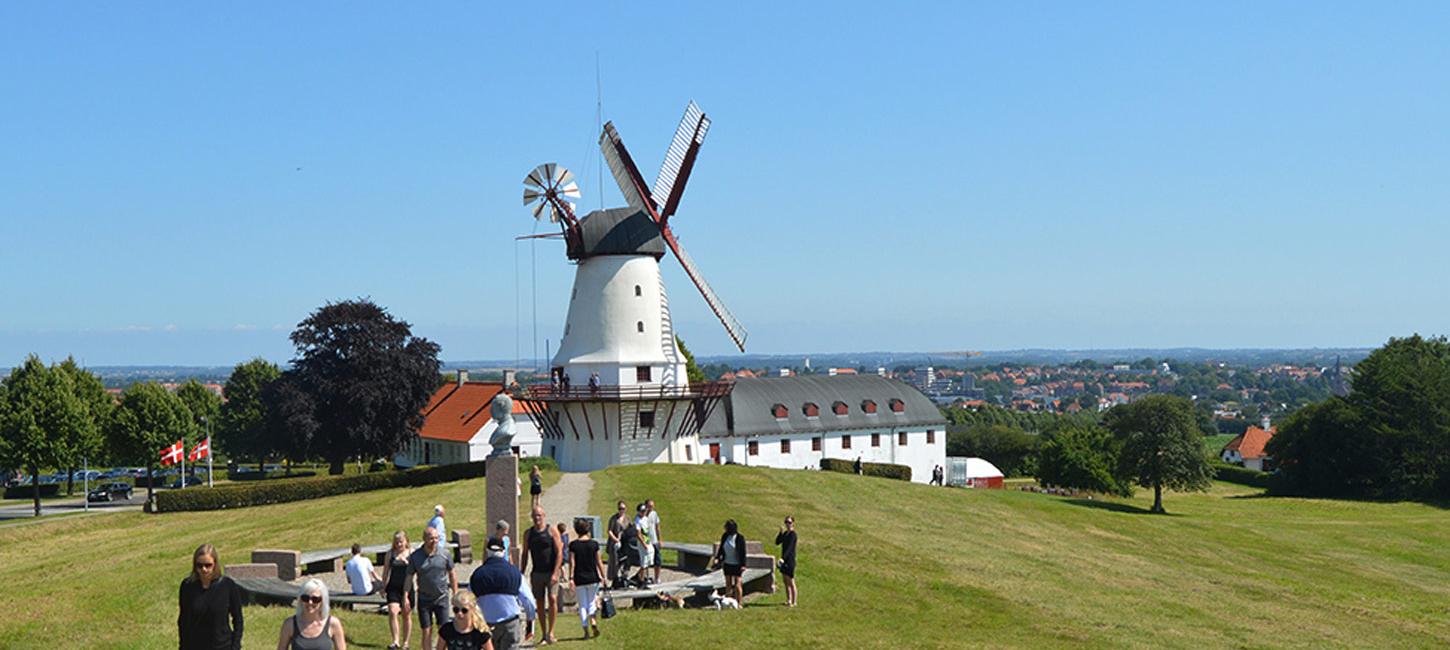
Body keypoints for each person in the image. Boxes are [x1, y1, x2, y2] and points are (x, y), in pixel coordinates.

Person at [470, 537, 537, 650]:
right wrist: (530, 622)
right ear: (504, 551)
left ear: (487, 551)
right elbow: (528, 600)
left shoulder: (478, 575)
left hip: (486, 625)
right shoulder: (515, 573)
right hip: (510, 623)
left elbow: (468, 601)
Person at [179, 543, 244, 650]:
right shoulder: (187, 587)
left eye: (208, 565)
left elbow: (238, 620)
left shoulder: (227, 586)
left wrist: (236, 646)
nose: (204, 569)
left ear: (215, 564)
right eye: (199, 565)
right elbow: (183, 621)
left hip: (222, 646)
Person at [410, 526, 458, 650]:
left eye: (437, 538)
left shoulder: (445, 554)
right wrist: (405, 595)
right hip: (424, 599)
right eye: (431, 538)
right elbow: (409, 577)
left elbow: (452, 574)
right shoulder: (416, 556)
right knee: (426, 630)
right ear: (424, 539)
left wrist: (455, 593)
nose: (435, 541)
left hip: (441, 597)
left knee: (443, 631)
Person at [518, 506, 562, 645]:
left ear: (544, 515)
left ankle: (551, 632)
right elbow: (525, 554)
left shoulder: (551, 530)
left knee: (553, 598)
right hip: (537, 572)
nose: (537, 518)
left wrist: (556, 571)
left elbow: (559, 551)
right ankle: (543, 633)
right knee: (540, 602)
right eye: (535, 516)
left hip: (551, 571)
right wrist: (521, 573)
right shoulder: (528, 534)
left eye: (539, 515)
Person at [275, 578, 346, 650]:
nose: (310, 602)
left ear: (322, 601)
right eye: (305, 598)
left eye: (315, 599)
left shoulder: (333, 624)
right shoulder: (289, 624)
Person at [566, 518, 606, 639]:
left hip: (579, 578)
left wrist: (571, 577)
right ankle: (593, 620)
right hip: (593, 577)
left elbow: (572, 563)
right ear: (588, 529)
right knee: (591, 602)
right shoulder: (594, 544)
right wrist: (603, 576)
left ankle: (585, 630)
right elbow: (599, 561)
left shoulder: (573, 545)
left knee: (582, 605)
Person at [380, 531, 416, 650]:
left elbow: (418, 570)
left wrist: (408, 563)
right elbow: (386, 572)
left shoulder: (412, 553)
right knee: (393, 611)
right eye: (396, 543)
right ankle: (395, 641)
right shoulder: (390, 554)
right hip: (393, 587)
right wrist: (383, 586)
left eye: (401, 542)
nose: (399, 545)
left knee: (406, 614)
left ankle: (406, 642)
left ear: (406, 541)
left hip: (408, 587)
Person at [712, 519, 746, 607]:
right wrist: (717, 558)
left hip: (737, 564)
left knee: (738, 583)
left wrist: (743, 564)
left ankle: (739, 603)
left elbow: (743, 552)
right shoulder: (725, 536)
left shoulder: (739, 538)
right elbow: (721, 549)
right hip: (727, 563)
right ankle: (728, 602)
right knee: (728, 583)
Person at [775, 516, 798, 607]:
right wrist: (780, 533)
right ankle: (788, 600)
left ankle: (794, 601)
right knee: (785, 581)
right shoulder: (785, 534)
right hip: (784, 560)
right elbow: (777, 542)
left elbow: (789, 548)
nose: (787, 524)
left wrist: (783, 558)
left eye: (789, 522)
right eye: (786, 522)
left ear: (793, 523)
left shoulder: (793, 535)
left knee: (791, 581)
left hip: (790, 560)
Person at [605, 501, 626, 587]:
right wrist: (616, 539)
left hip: (624, 543)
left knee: (623, 561)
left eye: (623, 509)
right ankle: (614, 579)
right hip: (614, 543)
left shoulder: (627, 518)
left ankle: (622, 578)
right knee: (614, 562)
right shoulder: (614, 519)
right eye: (620, 509)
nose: (621, 510)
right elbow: (609, 531)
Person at [632, 503, 653, 585]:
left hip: (648, 541)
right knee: (643, 563)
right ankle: (640, 579)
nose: (644, 512)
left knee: (649, 561)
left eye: (645, 511)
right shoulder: (637, 520)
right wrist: (644, 544)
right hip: (642, 543)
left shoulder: (645, 518)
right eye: (642, 511)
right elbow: (638, 533)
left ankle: (641, 577)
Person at [644, 499, 662, 583]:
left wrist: (660, 540)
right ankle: (645, 577)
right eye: (649, 506)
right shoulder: (642, 515)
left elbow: (657, 527)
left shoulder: (654, 514)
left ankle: (657, 577)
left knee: (657, 560)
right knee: (646, 561)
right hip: (647, 541)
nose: (651, 508)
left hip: (654, 540)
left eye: (652, 506)